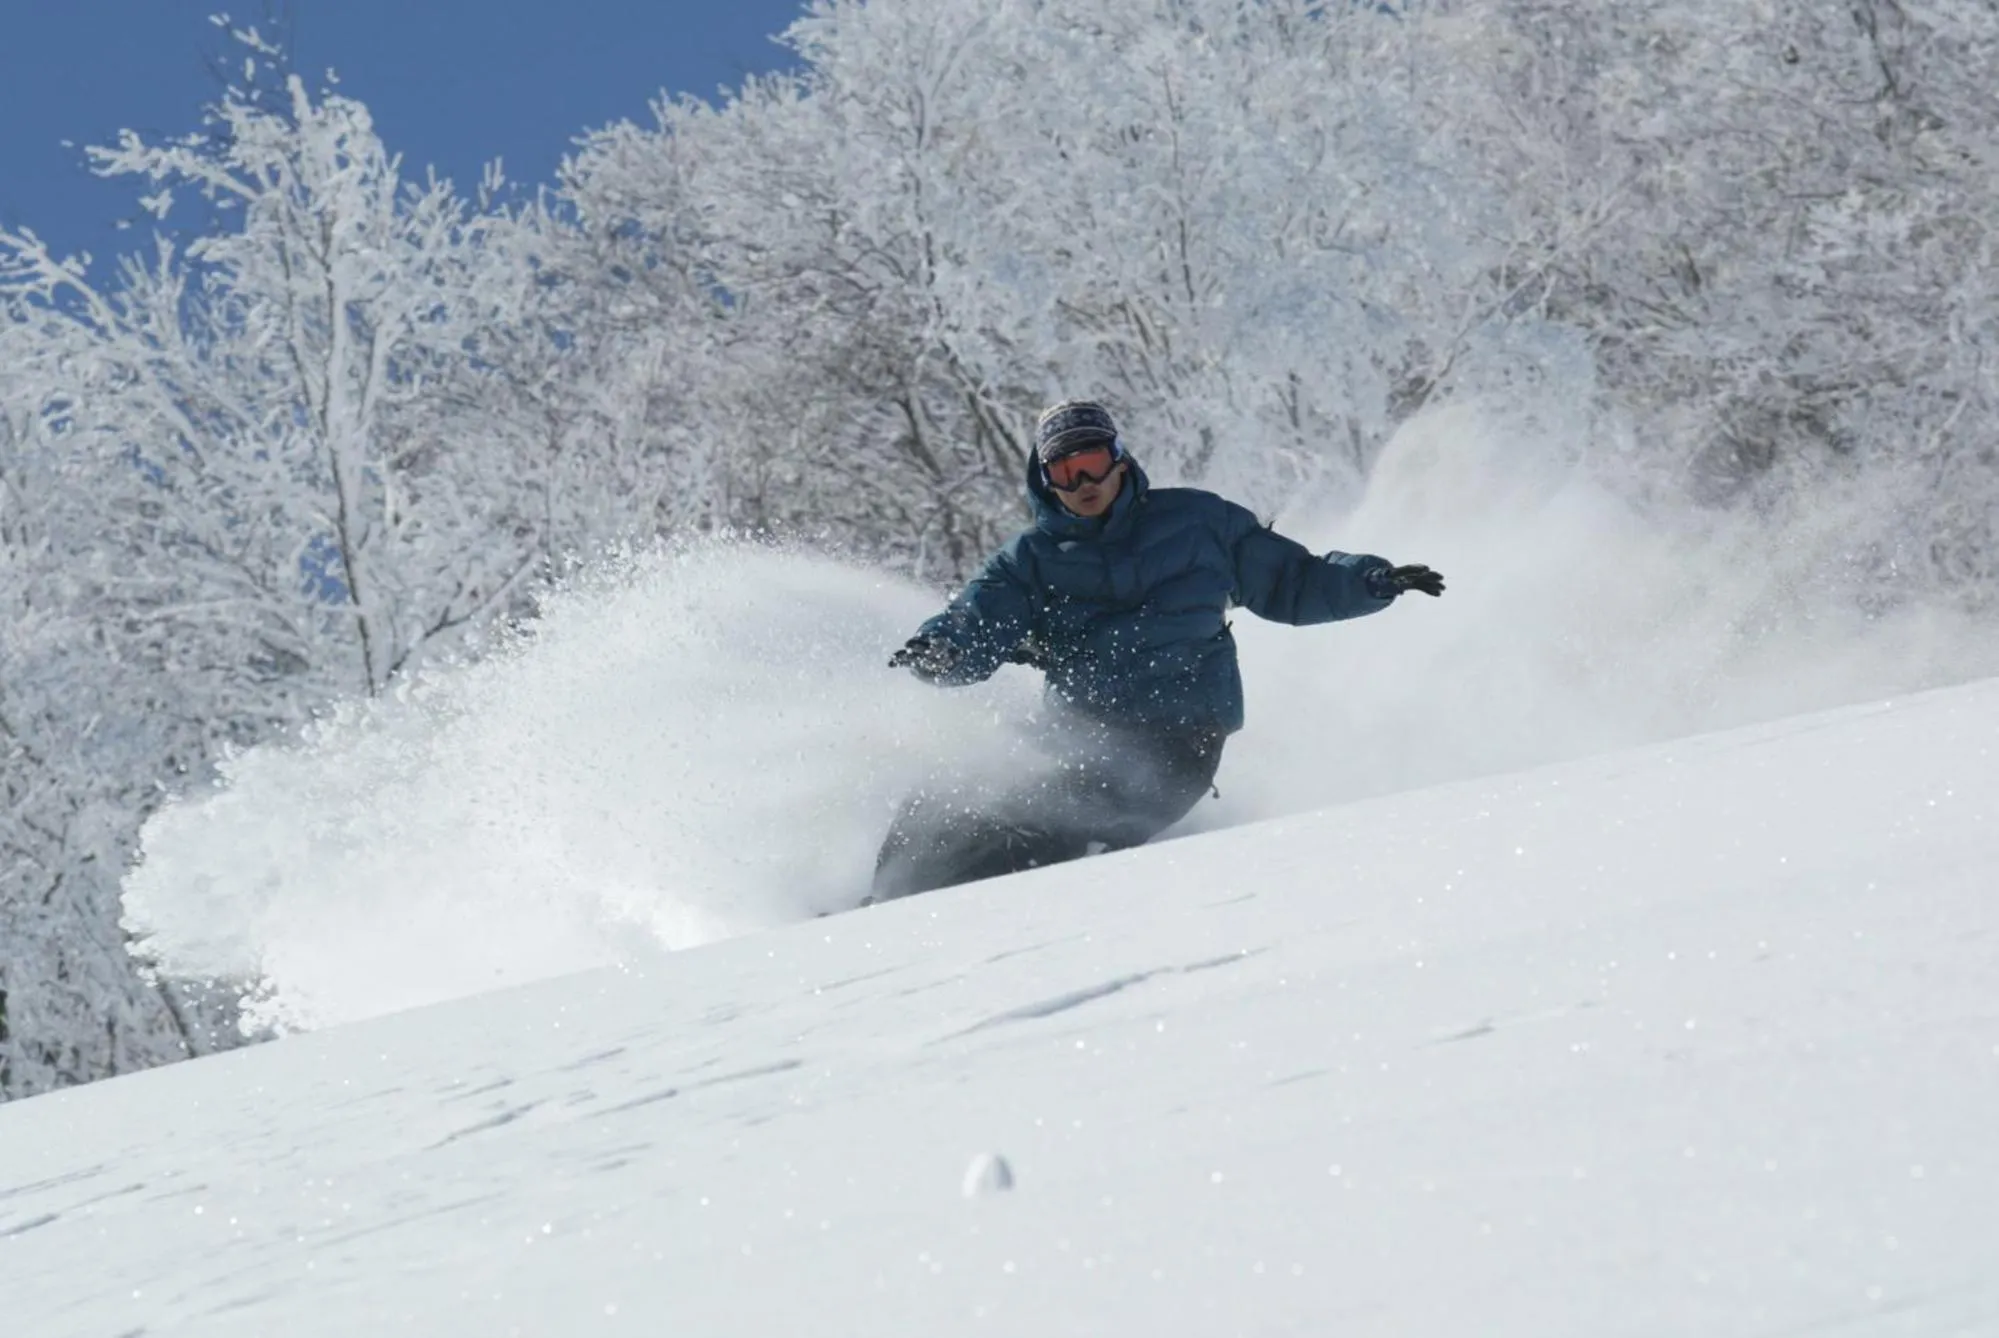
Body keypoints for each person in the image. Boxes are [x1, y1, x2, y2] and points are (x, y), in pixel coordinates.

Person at [872, 399, 1443, 901]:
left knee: (1048, 825)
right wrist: (941, 651)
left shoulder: (1199, 524)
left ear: (1120, 459)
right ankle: (880, 902)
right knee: (956, 789)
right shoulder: (1029, 561)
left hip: (1178, 738)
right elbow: (977, 622)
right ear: (1045, 481)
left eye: (1092, 463)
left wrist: (1371, 580)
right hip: (1080, 730)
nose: (1083, 483)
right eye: (1065, 472)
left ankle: (982, 924)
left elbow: (1292, 582)